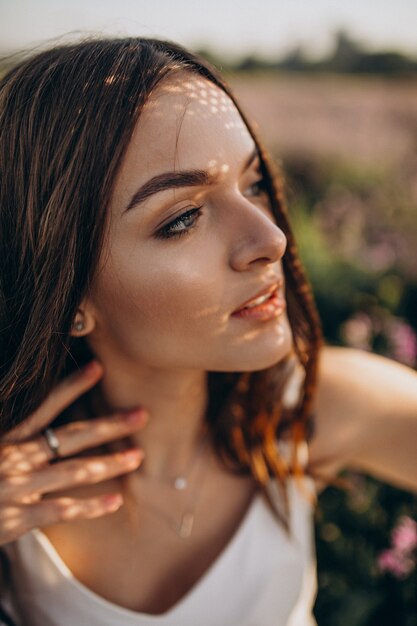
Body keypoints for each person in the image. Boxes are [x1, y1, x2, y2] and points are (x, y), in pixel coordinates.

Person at [0, 37, 416, 626]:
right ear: (68, 294)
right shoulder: (10, 492)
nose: (271, 239)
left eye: (254, 184)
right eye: (183, 218)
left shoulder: (311, 408)